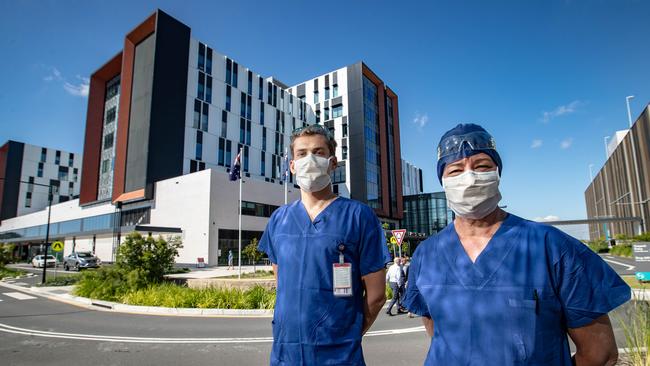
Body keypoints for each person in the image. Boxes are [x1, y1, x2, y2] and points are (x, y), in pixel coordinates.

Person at [403, 123, 631, 365]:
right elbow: (436, 329)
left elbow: (600, 353)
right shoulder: (427, 254)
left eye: (481, 166)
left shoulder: (551, 247)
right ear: (443, 181)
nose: (469, 179)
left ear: (497, 173)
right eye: (456, 170)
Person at [258, 124, 390, 365]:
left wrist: (347, 333)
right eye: (301, 153)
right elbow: (282, 285)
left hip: (339, 356)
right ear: (292, 165)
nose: (309, 159)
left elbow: (377, 295)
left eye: (318, 152)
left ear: (332, 163)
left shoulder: (359, 216)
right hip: (285, 354)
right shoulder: (279, 219)